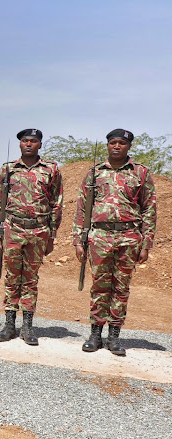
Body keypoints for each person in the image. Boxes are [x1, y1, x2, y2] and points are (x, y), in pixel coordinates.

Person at [73, 128, 156, 356]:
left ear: (128, 146)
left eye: (121, 143)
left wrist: (146, 243)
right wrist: (78, 240)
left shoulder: (140, 173)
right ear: (108, 145)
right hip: (99, 237)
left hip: (129, 238)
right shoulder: (94, 173)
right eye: (113, 143)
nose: (117, 147)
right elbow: (82, 208)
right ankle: (95, 334)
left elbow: (149, 208)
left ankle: (114, 336)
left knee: (121, 288)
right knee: (100, 286)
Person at [0, 129, 63, 345]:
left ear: (40, 145)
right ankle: (9, 325)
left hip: (39, 231)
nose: (28, 144)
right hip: (12, 229)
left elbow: (56, 202)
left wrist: (52, 234)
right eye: (24, 141)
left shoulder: (51, 169)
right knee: (12, 277)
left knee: (30, 279)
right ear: (19, 144)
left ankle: (28, 327)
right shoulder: (8, 169)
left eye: (33, 141)